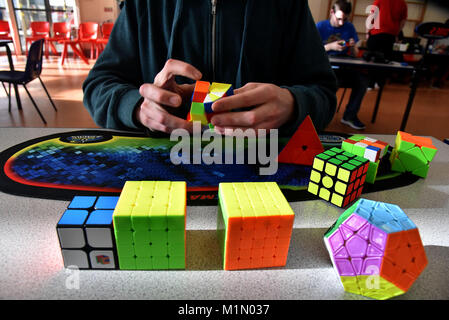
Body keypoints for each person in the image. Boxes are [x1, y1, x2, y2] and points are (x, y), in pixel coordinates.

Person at [82, 0, 337, 137]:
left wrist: (294, 105)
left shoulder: (288, 5)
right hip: (163, 170)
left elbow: (323, 93)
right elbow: (98, 86)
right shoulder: (142, 4)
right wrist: (138, 108)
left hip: (262, 168)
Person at [316, 0, 368, 130]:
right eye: (339, 19)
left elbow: (355, 53)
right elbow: (310, 49)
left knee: (362, 82)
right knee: (332, 83)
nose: (341, 23)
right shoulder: (320, 26)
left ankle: (349, 116)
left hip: (345, 66)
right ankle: (320, 116)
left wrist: (352, 46)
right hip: (325, 66)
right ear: (331, 12)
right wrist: (329, 46)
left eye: (344, 20)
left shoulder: (349, 27)